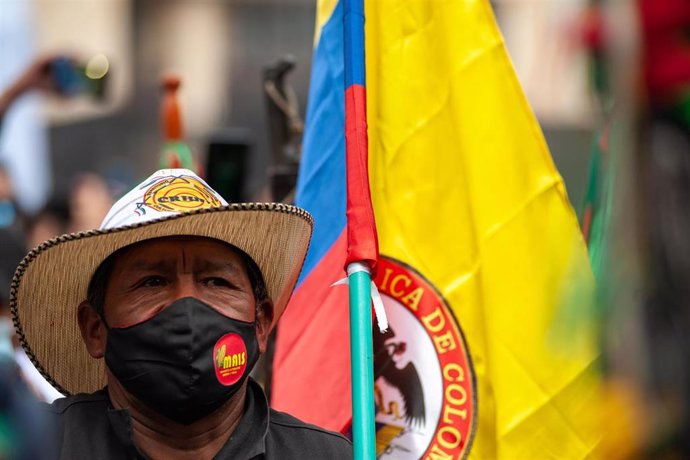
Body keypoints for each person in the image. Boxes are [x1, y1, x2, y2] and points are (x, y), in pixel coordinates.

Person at [10, 168, 352, 459]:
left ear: (262, 322)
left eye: (216, 281)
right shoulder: (34, 447)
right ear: (95, 328)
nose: (186, 305)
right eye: (152, 282)